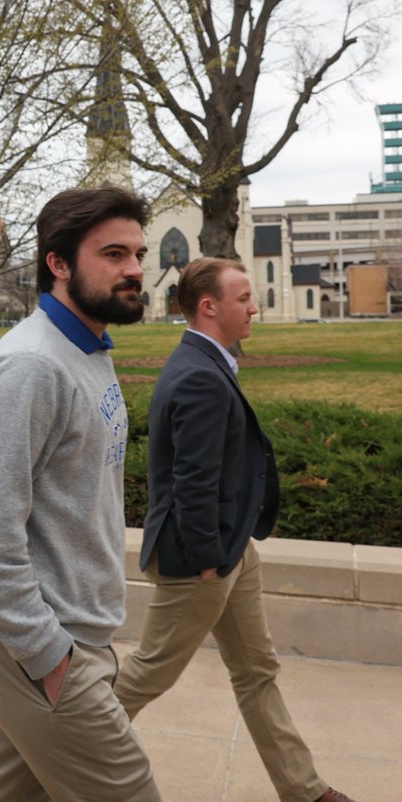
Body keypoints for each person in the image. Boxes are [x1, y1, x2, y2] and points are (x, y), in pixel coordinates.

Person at [113, 257, 355, 802]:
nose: (254, 308)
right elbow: (192, 480)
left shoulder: (206, 361)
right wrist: (207, 558)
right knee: (146, 676)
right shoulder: (199, 375)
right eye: (244, 299)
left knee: (257, 670)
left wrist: (228, 549)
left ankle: (305, 790)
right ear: (208, 307)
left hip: (232, 548)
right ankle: (51, 766)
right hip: (201, 558)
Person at [0, 185, 161, 801]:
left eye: (138, 254)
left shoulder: (85, 348)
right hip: (36, 641)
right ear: (59, 263)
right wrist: (48, 656)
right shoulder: (30, 366)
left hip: (61, 635)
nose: (134, 269)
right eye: (114, 254)